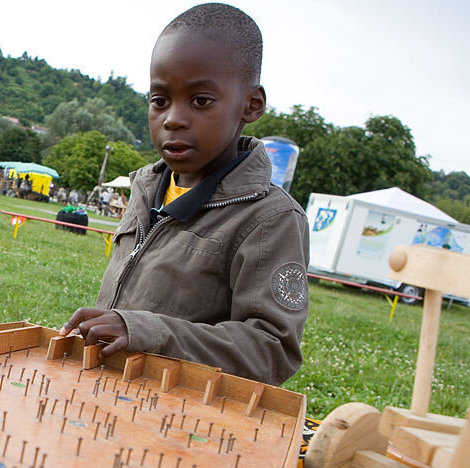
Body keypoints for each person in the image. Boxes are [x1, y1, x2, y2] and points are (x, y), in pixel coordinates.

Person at [59, 3, 308, 386]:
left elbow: (271, 349)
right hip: (111, 392)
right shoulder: (144, 189)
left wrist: (147, 332)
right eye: (159, 100)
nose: (173, 118)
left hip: (186, 419)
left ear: (251, 105)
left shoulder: (270, 220)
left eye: (201, 101)